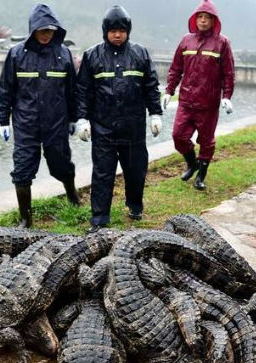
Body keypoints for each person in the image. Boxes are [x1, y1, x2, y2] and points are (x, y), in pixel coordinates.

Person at [75, 5, 162, 232]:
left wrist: (155, 113)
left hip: (133, 128)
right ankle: (99, 218)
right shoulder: (92, 55)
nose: (117, 34)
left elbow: (151, 86)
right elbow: (83, 90)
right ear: (105, 31)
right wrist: (82, 119)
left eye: (121, 30)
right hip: (103, 128)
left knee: (135, 171)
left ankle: (135, 205)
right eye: (112, 30)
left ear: (128, 31)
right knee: (102, 174)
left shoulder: (140, 54)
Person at [0, 3, 80, 228]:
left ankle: (72, 195)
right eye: (43, 30)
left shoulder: (63, 54)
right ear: (33, 29)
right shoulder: (16, 54)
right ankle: (26, 218)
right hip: (26, 123)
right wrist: (3, 120)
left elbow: (71, 90)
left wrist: (74, 117)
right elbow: (5, 88)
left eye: (51, 31)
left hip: (57, 122)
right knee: (23, 168)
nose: (47, 35)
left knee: (62, 164)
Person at [163, 0, 235, 191]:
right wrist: (169, 90)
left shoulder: (222, 43)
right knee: (178, 135)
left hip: (208, 103)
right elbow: (176, 68)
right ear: (195, 19)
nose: (203, 21)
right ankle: (192, 163)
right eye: (200, 17)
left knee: (206, 140)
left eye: (207, 18)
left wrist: (226, 96)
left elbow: (228, 73)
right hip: (186, 100)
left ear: (214, 21)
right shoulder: (186, 40)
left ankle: (200, 176)